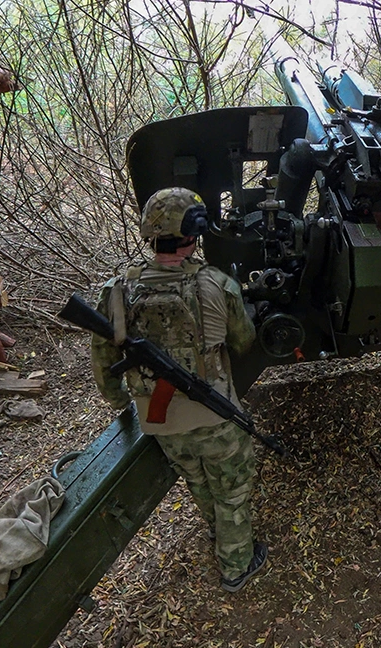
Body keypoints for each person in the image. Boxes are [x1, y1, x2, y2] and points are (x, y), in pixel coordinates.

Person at [90, 186, 267, 593]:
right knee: (232, 489)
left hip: (159, 419)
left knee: (199, 482)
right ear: (195, 233)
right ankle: (236, 565)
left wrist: (121, 403)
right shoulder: (216, 284)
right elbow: (244, 342)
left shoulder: (117, 290)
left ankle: (218, 535)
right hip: (215, 415)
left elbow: (103, 360)